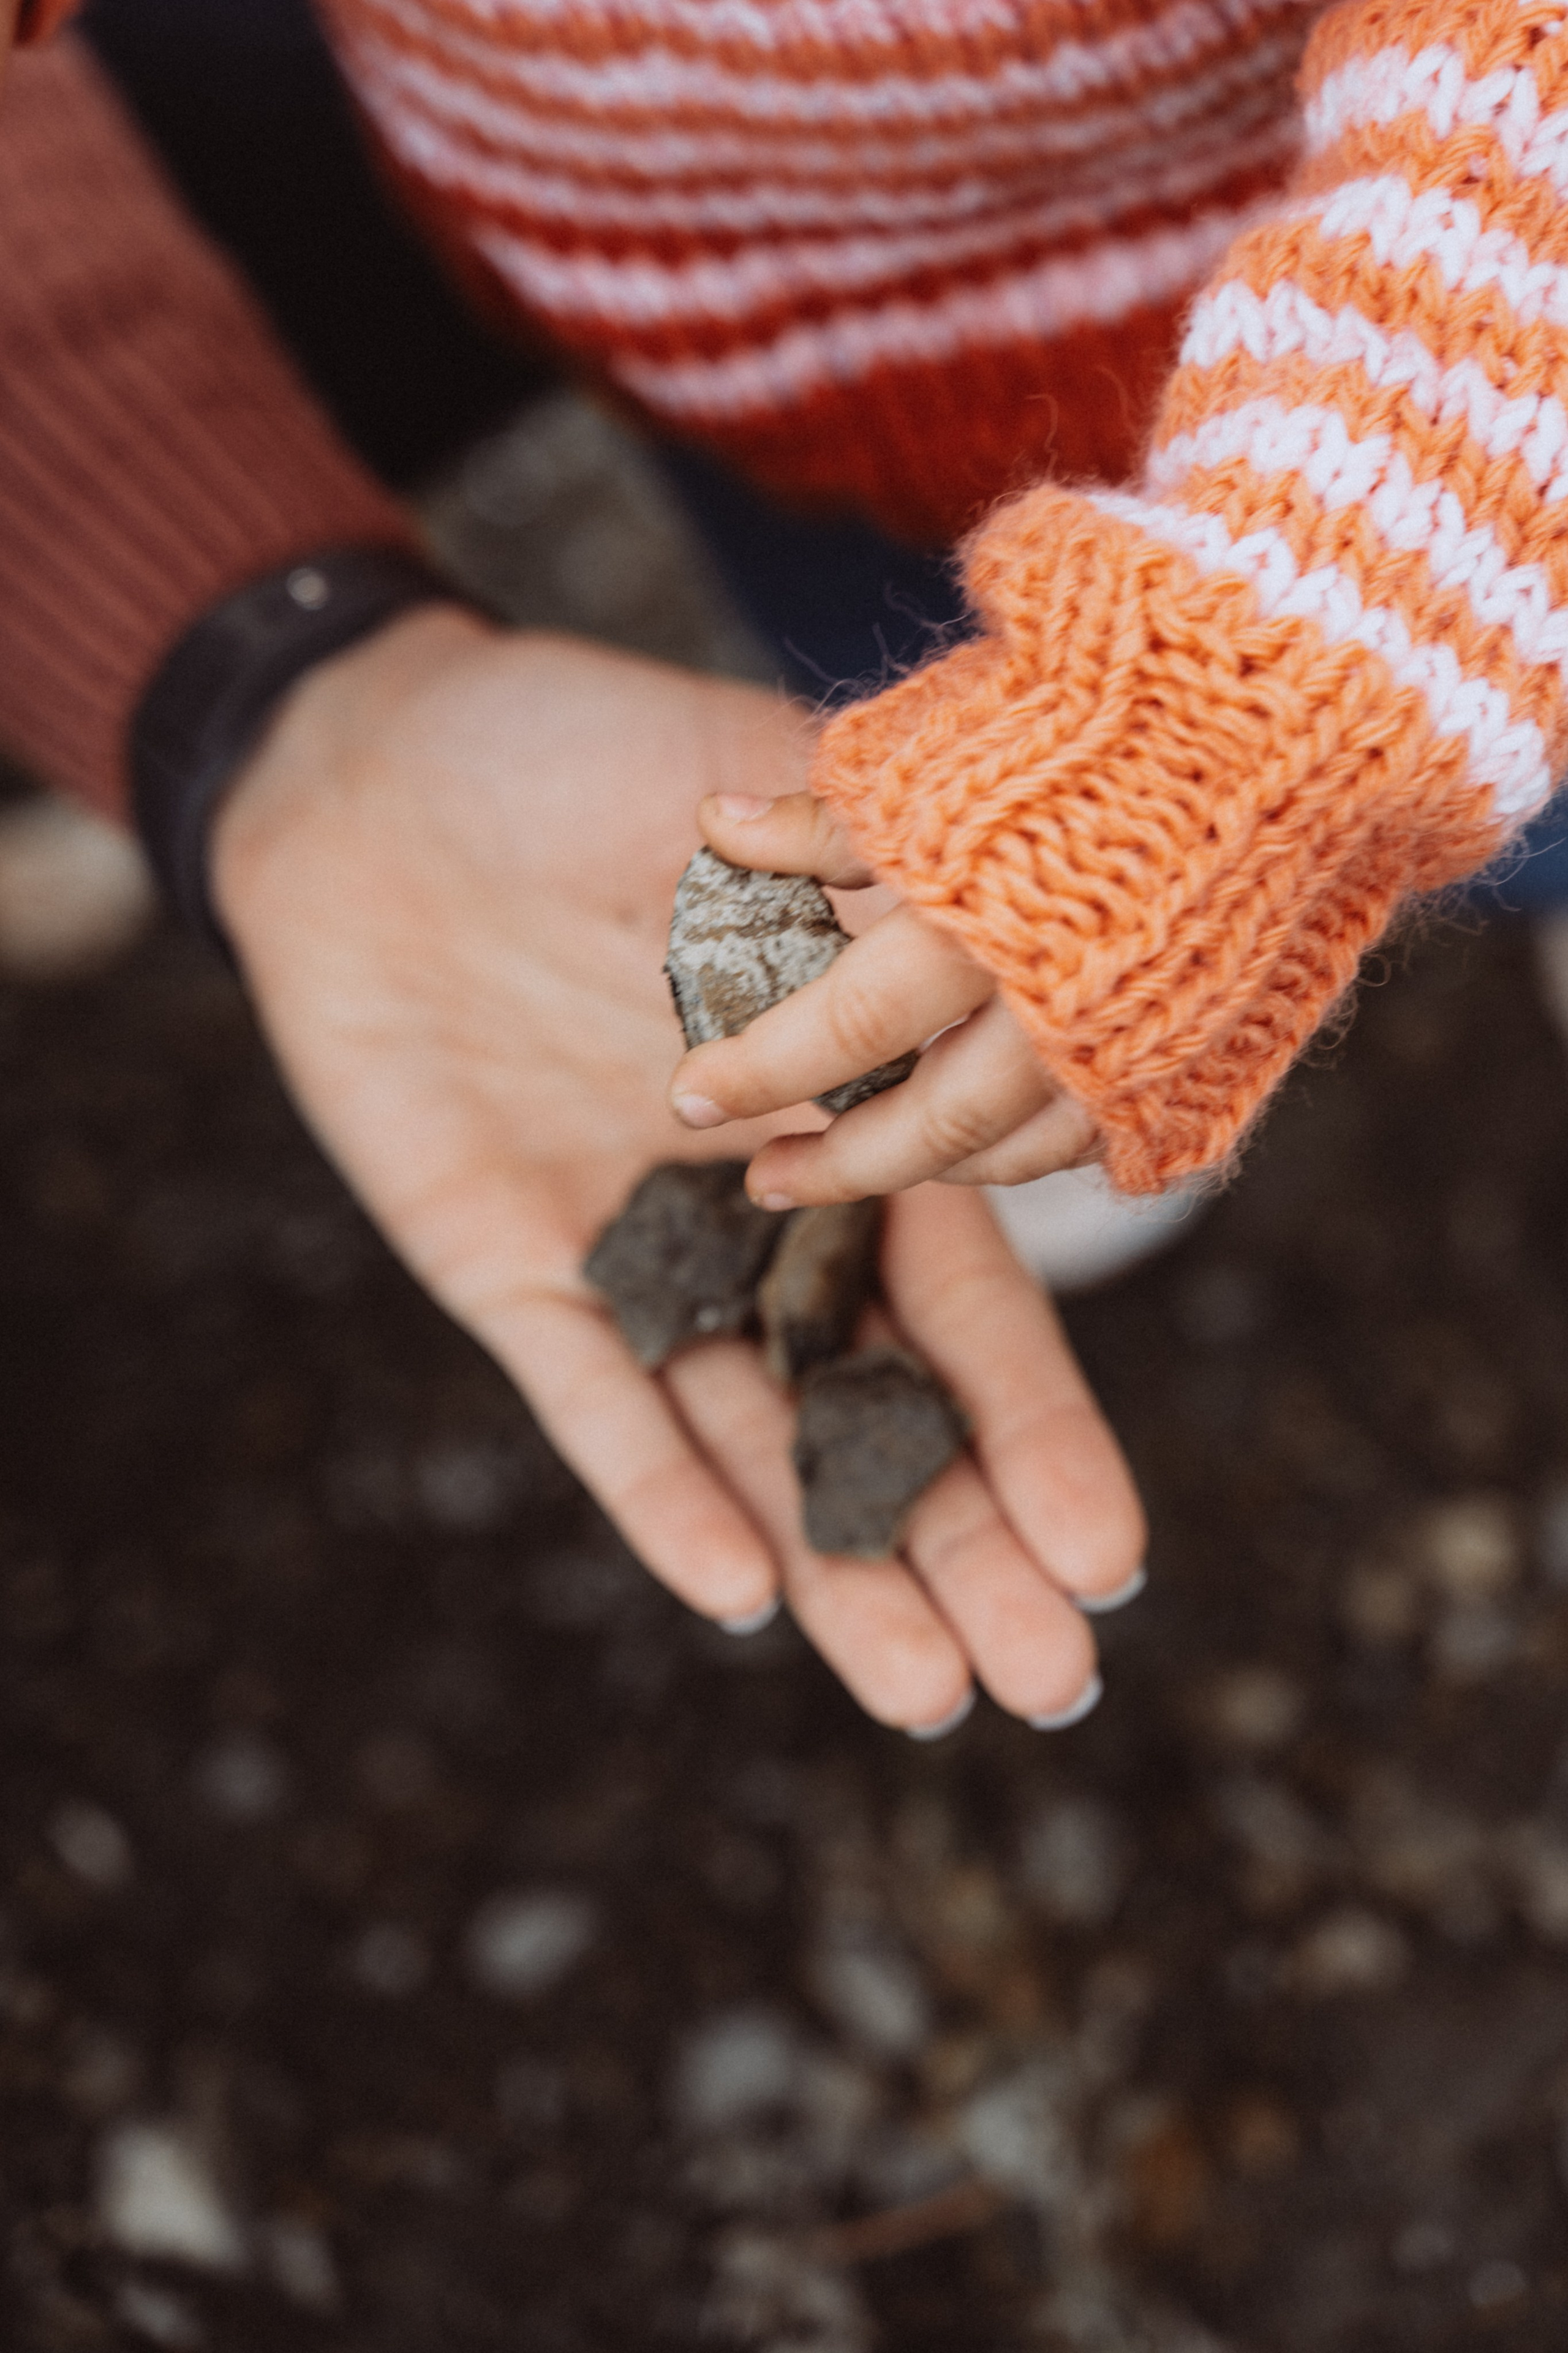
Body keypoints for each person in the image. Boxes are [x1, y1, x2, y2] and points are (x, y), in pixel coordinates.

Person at [6, 0, 1561, 1728]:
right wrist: (275, 701)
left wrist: (1322, 626)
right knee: (877, 659)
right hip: (746, 316)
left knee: (1505, 785)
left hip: (1404, 358)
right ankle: (959, 1033)